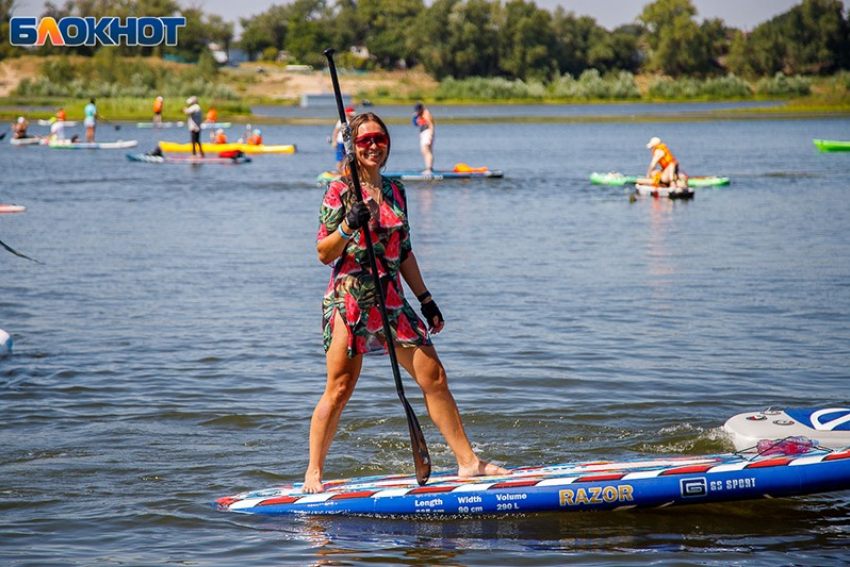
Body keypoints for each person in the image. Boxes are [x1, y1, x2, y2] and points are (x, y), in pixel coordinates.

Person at [305, 112, 507, 494]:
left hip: (393, 297)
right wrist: (348, 225)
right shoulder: (338, 191)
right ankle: (313, 472)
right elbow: (323, 252)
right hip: (351, 296)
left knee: (434, 377)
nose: (373, 146)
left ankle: (469, 463)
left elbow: (405, 251)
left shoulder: (397, 190)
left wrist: (427, 300)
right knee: (340, 386)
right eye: (364, 141)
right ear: (352, 147)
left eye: (379, 139)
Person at [413, 102, 435, 174]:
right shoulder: (420, 115)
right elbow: (416, 124)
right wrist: (415, 116)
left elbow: (431, 124)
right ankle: (428, 168)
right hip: (424, 133)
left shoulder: (426, 113)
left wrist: (431, 135)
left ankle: (429, 169)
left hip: (428, 133)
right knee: (424, 151)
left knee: (426, 149)